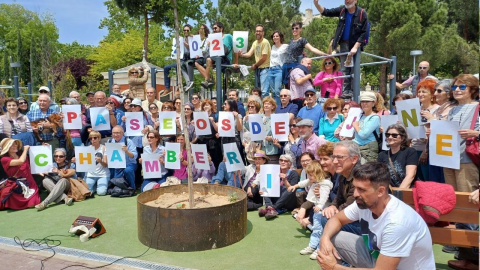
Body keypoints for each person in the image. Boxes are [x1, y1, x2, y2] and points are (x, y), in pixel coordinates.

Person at [317, 162, 435, 270]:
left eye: (361, 189)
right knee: (331, 237)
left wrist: (334, 267)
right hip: (377, 258)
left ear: (380, 191)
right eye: (355, 187)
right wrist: (324, 238)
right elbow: (336, 219)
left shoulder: (397, 223)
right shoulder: (363, 203)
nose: (355, 194)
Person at [315, 0, 369, 99]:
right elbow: (326, 12)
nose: (347, 1)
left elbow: (364, 32)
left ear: (355, 0)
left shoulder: (362, 13)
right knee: (345, 69)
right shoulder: (342, 10)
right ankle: (345, 92)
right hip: (343, 44)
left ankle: (354, 92)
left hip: (355, 45)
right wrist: (316, 4)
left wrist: (355, 47)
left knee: (354, 69)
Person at [444, 74, 479, 193]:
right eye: (454, 87)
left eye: (462, 87)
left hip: (467, 159)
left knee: (466, 198)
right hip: (449, 159)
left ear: (472, 90)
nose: (457, 90)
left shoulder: (478, 107)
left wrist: (475, 133)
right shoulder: (453, 110)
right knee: (453, 197)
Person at [289, 160, 332, 229]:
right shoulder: (314, 180)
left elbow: (324, 196)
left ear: (319, 174)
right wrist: (295, 186)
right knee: (316, 221)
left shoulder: (324, 183)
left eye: (311, 175)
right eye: (308, 174)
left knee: (318, 225)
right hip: (317, 207)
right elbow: (304, 182)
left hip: (323, 208)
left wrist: (320, 205)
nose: (309, 177)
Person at [0, 138, 40, 210]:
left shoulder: (24, 156)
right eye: (12, 145)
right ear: (7, 147)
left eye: (15, 144)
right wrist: (25, 150)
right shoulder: (4, 159)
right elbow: (21, 161)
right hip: (17, 186)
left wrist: (44, 147)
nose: (15, 146)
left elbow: (30, 168)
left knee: (33, 203)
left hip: (30, 184)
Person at [258, 154, 299, 219]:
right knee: (263, 184)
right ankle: (269, 207)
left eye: (285, 161)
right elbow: (268, 184)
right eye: (281, 160)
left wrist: (285, 180)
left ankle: (272, 208)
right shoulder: (274, 171)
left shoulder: (293, 173)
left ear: (290, 164)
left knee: (289, 189)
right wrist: (263, 190)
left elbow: (292, 189)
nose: (283, 162)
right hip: (276, 199)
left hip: (288, 202)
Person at [235, 24, 271, 97]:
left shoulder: (265, 42)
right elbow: (249, 54)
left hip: (265, 69)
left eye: (259, 31)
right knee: (257, 91)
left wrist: (255, 65)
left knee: (264, 92)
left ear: (263, 33)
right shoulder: (255, 43)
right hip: (258, 69)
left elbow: (264, 58)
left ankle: (265, 108)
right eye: (256, 31)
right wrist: (241, 54)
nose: (257, 33)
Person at [414, 78, 439, 181]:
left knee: (428, 181)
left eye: (424, 91)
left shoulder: (437, 109)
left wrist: (426, 152)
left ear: (432, 94)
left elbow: (437, 130)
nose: (420, 94)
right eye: (419, 91)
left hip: (428, 152)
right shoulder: (415, 109)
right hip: (414, 148)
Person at [199, 21, 233, 88]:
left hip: (225, 58)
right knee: (206, 60)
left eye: (215, 28)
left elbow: (229, 50)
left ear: (221, 28)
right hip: (216, 58)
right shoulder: (213, 38)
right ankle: (208, 79)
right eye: (213, 29)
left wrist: (236, 62)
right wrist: (209, 46)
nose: (214, 30)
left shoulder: (228, 36)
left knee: (210, 59)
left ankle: (208, 79)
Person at [352, 91, 380, 162]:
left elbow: (363, 134)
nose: (364, 104)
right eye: (362, 101)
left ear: (373, 103)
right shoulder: (360, 116)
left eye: (367, 101)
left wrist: (356, 126)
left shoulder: (375, 117)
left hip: (368, 149)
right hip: (356, 147)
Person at [109, 126, 138, 190]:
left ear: (122, 133)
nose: (116, 135)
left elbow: (134, 155)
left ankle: (132, 188)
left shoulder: (128, 141)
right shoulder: (110, 141)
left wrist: (127, 151)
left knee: (128, 170)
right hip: (117, 165)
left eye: (118, 133)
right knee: (117, 183)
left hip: (129, 164)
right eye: (114, 133)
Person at [196, 99, 221, 169]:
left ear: (211, 106)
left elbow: (217, 129)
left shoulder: (216, 116)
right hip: (203, 142)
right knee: (203, 161)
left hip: (213, 143)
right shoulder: (200, 116)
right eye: (204, 106)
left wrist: (212, 121)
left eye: (207, 105)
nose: (205, 107)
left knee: (215, 161)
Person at [84, 131, 110, 196]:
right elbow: (83, 164)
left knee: (101, 193)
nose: (93, 140)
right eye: (91, 138)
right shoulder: (87, 149)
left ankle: (95, 186)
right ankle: (94, 187)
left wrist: (101, 161)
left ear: (99, 138)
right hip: (91, 174)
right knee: (87, 192)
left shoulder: (104, 148)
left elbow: (105, 165)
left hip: (103, 174)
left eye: (95, 138)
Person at [268, 31, 288, 105]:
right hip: (270, 69)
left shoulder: (285, 46)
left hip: (279, 69)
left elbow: (291, 53)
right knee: (273, 91)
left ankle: (279, 108)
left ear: (280, 37)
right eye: (274, 36)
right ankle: (274, 108)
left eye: (277, 36)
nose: (275, 37)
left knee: (277, 91)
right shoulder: (272, 47)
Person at [260, 97, 280, 163]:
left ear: (273, 106)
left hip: (272, 150)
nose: (266, 105)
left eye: (268, 104)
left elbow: (281, 134)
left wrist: (272, 138)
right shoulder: (259, 117)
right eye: (265, 104)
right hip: (261, 150)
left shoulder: (277, 118)